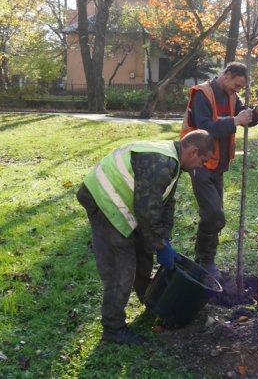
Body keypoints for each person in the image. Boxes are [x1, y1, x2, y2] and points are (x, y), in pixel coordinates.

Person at [76, 130, 215, 345]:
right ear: (193, 151)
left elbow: (166, 204)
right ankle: (113, 328)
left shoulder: (174, 163)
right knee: (121, 268)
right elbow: (147, 210)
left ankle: (151, 300)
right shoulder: (162, 164)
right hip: (103, 200)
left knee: (143, 251)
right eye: (202, 161)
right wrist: (159, 245)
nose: (201, 166)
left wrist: (164, 240)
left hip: (126, 201)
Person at [180, 62, 258, 277]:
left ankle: (202, 260)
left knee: (212, 216)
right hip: (198, 161)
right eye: (236, 85)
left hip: (218, 165)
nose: (237, 90)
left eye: (240, 88)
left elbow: (246, 119)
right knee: (214, 215)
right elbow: (204, 129)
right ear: (227, 75)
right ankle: (206, 260)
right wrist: (234, 121)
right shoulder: (203, 94)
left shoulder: (232, 97)